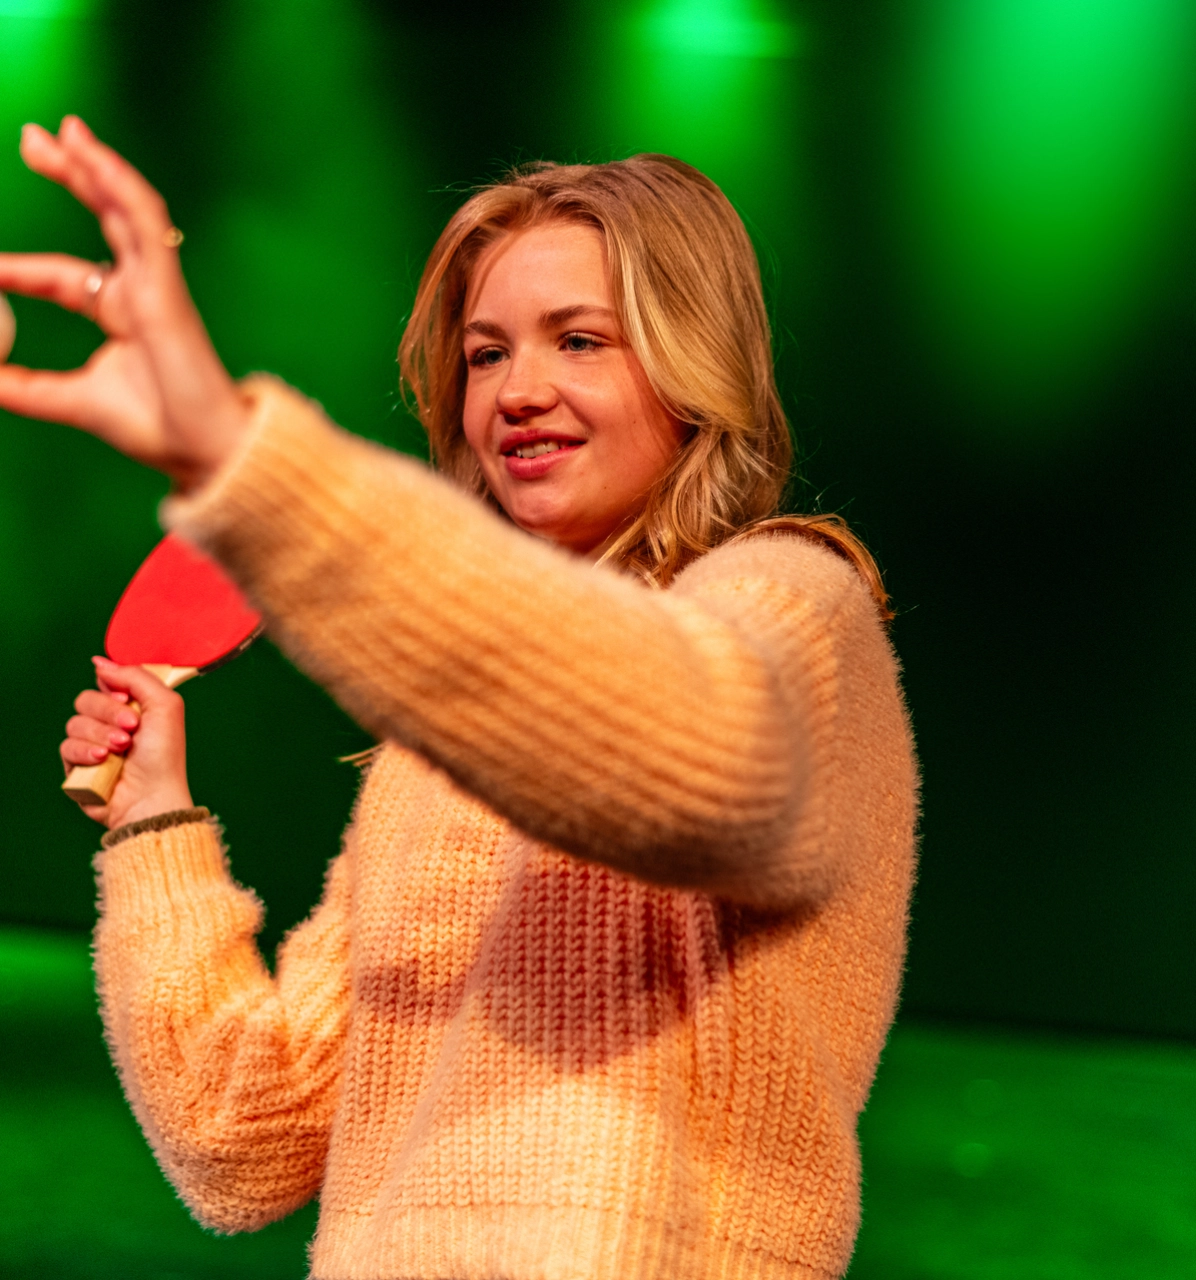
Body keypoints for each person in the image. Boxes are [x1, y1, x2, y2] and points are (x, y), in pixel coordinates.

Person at [0, 117, 917, 1280]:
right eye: (484, 355)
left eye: (578, 340)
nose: (517, 391)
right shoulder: (437, 751)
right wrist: (153, 823)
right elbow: (242, 1145)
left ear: (691, 363)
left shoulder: (792, 601)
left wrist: (244, 461)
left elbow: (701, 749)